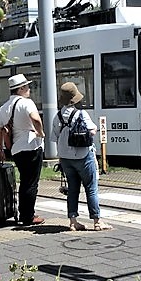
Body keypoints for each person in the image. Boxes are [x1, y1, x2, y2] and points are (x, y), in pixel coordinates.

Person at [51, 82, 112, 231]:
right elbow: (92, 130)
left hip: (65, 158)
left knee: (72, 189)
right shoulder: (81, 113)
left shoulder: (57, 116)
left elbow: (54, 137)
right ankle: (97, 221)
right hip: (83, 156)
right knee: (91, 188)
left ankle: (73, 222)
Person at [0, 74, 45, 226]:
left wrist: (0, 149)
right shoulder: (26, 103)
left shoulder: (4, 107)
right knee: (31, 183)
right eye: (27, 87)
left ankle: (24, 213)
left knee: (24, 181)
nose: (29, 89)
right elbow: (36, 119)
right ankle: (28, 216)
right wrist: (40, 133)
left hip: (16, 149)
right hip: (31, 146)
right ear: (21, 88)